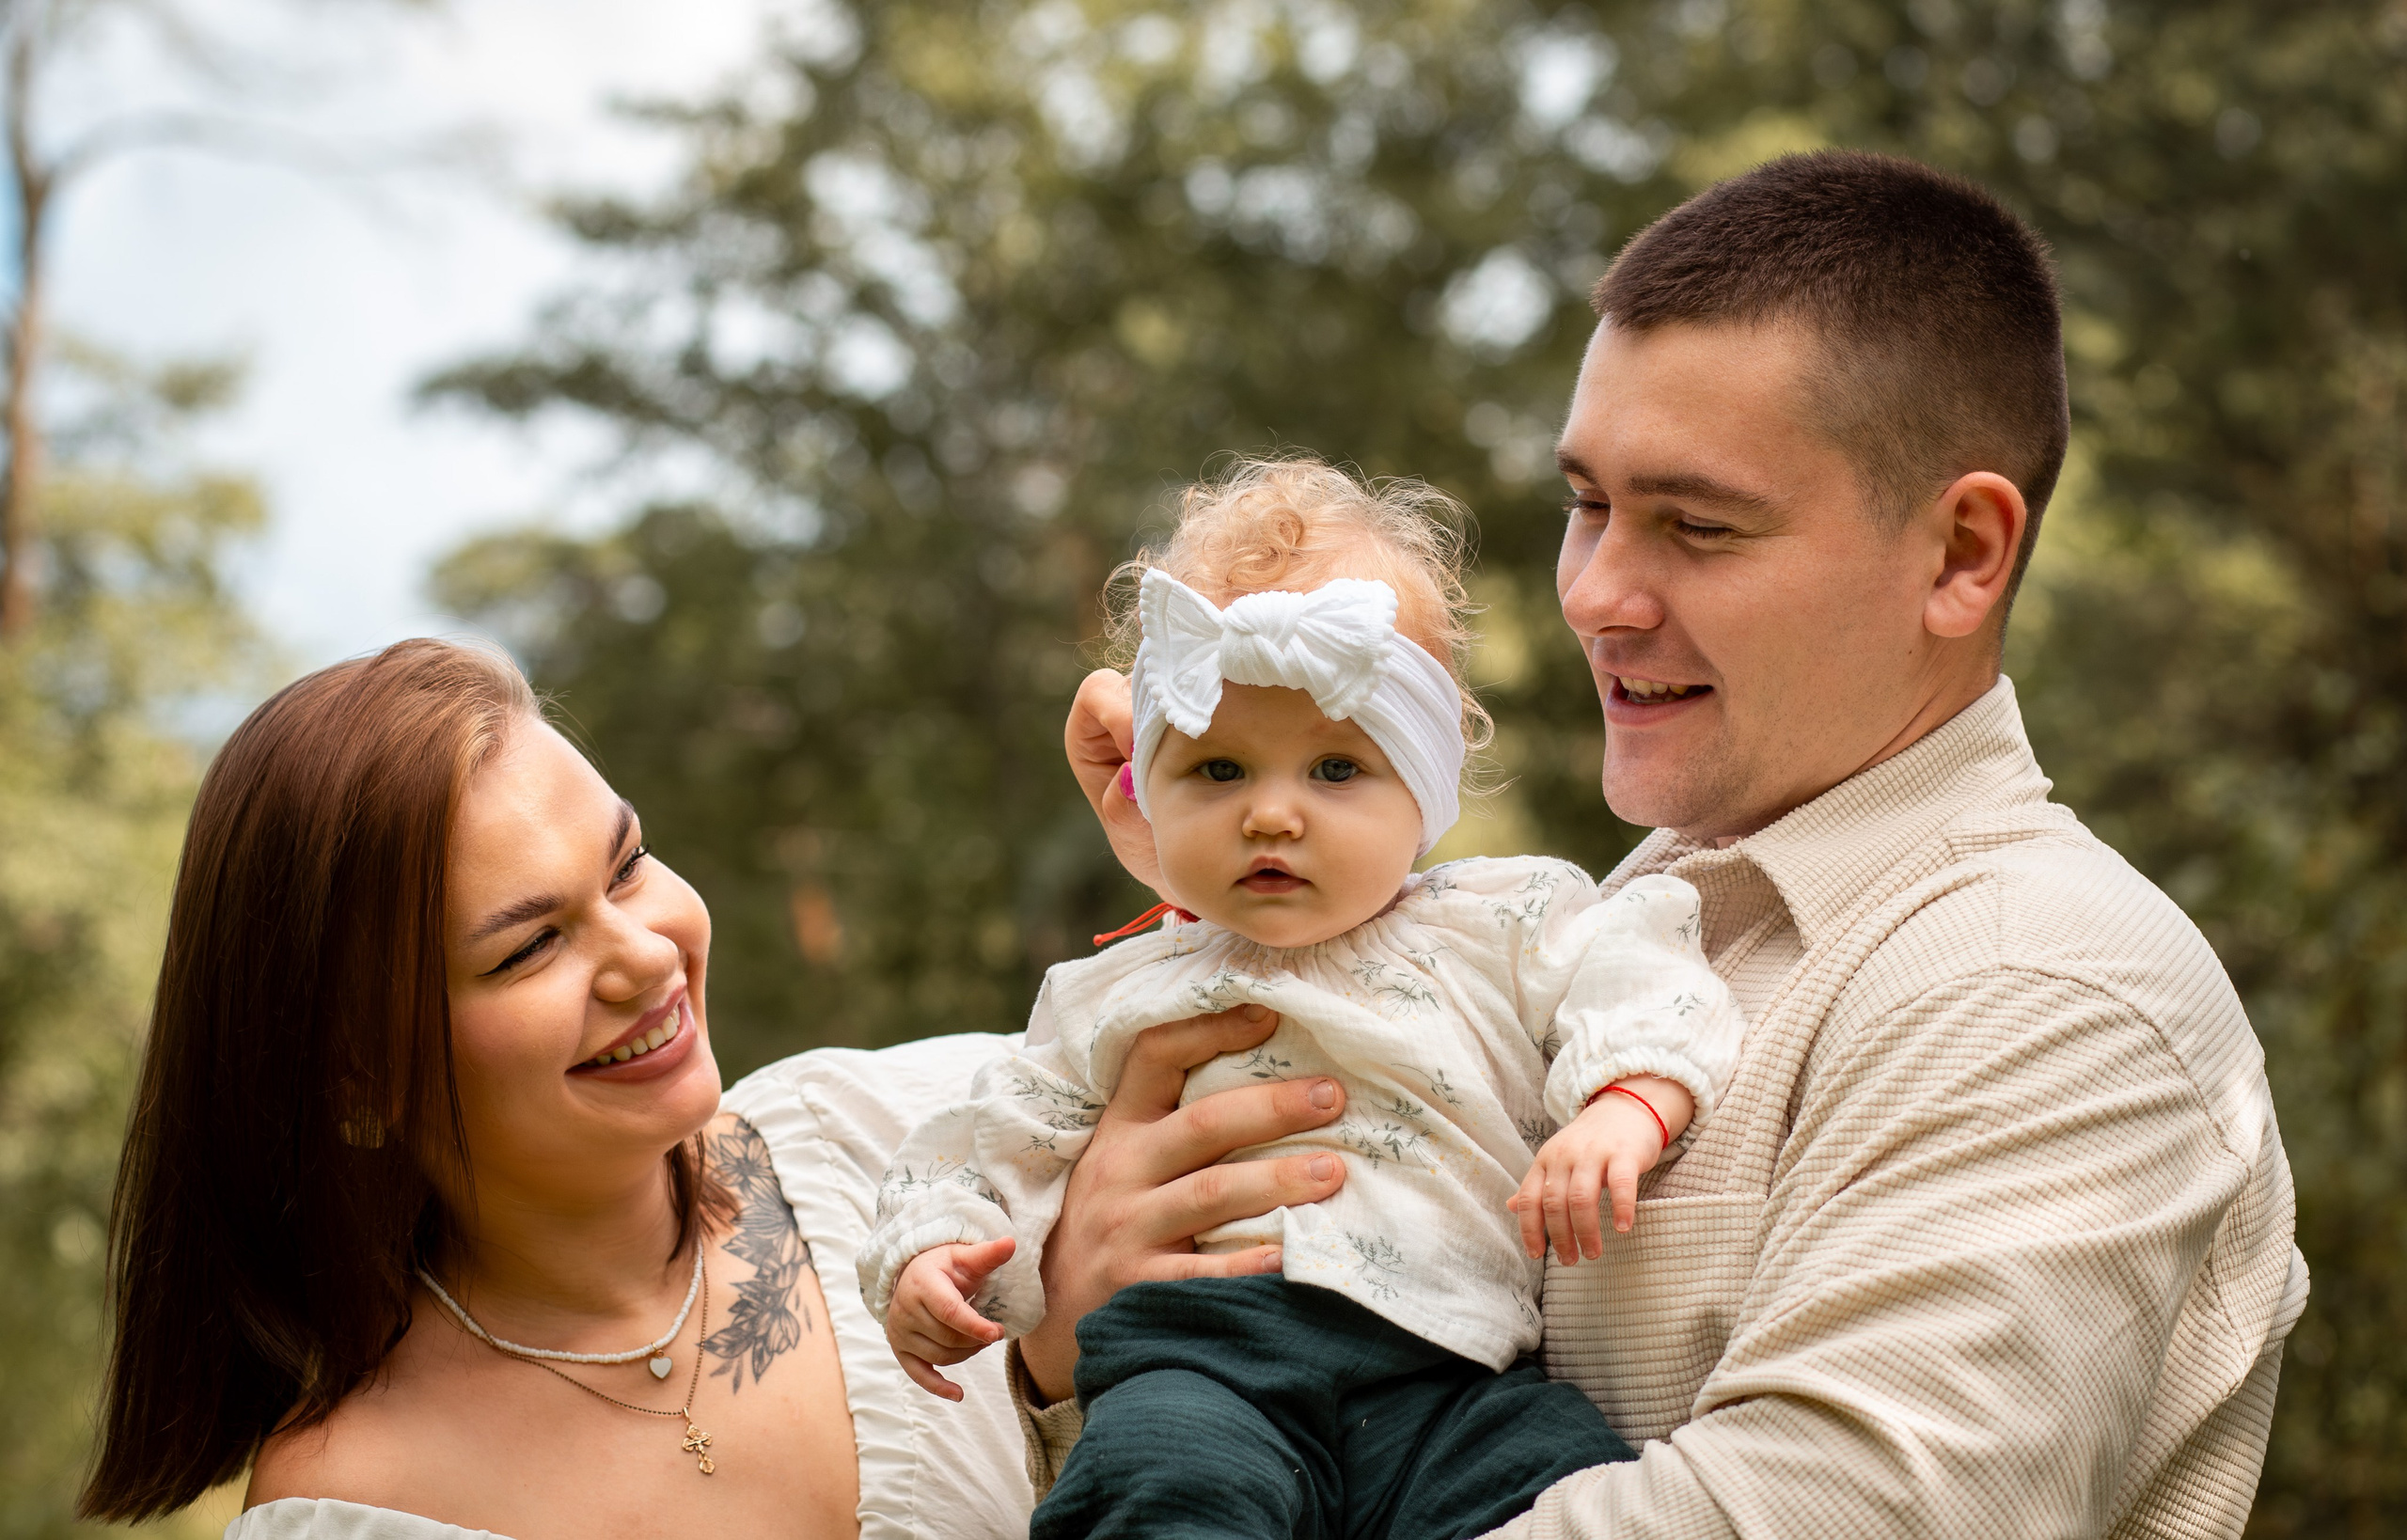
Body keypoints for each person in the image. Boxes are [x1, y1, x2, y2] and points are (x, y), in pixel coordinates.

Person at [1028, 150, 2307, 1537]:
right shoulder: (1600, 922)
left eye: (1698, 525)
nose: (1595, 595)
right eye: (1587, 505)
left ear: (1960, 554)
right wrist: (1066, 1338)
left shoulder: (2040, 994)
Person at [860, 460, 1745, 1539]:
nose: (1271, 816)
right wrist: (933, 1252)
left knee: (1565, 1479)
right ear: (1148, 796)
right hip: (1198, 1365)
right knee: (1165, 1488)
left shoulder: (1501, 919)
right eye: (1218, 771)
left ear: (1422, 789)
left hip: (1450, 1375)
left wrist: (1629, 1102)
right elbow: (988, 1136)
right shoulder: (1113, 991)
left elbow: (1642, 964)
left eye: (1333, 770)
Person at [77, 638, 1032, 1540]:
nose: (647, 956)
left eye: (628, 867)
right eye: (530, 946)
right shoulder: (356, 1502)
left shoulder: (940, 1129)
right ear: (359, 1081)